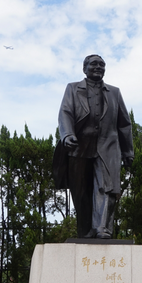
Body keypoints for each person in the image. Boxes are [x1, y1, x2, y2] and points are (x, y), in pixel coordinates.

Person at [53, 54, 134, 239]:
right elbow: (65, 112)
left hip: (107, 145)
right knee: (81, 190)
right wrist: (67, 135)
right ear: (85, 68)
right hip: (79, 145)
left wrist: (128, 151)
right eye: (94, 64)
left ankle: (102, 228)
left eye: (102, 64)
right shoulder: (73, 88)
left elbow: (124, 124)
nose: (98, 67)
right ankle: (87, 229)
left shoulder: (114, 92)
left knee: (106, 187)